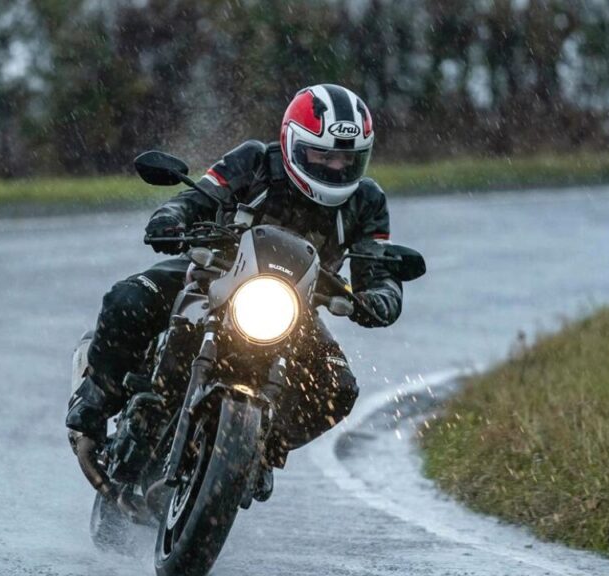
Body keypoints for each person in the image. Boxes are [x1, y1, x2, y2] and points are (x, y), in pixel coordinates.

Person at [67, 84, 403, 498]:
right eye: (323, 154)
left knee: (338, 388)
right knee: (127, 299)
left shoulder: (367, 200)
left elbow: (379, 268)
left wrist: (379, 299)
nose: (335, 167)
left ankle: (263, 449)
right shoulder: (255, 160)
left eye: (346, 159)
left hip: (294, 307)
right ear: (294, 143)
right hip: (213, 273)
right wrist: (171, 217)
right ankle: (95, 401)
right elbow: (200, 197)